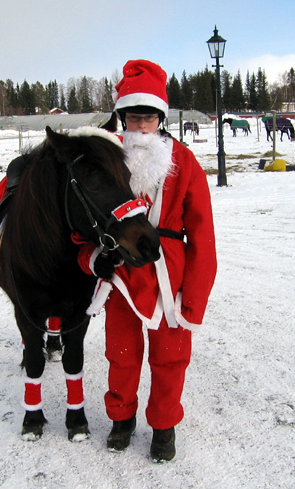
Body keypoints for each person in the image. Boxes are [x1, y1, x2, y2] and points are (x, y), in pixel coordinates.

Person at [77, 59, 217, 462]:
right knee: (120, 352)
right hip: (120, 273)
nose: (141, 128)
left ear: (160, 118)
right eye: (134, 118)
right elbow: (82, 227)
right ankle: (121, 418)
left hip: (170, 278)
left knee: (171, 355)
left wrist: (195, 297)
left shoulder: (185, 163)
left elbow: (203, 236)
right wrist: (91, 259)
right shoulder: (104, 164)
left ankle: (164, 425)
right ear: (121, 117)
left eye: (149, 119)